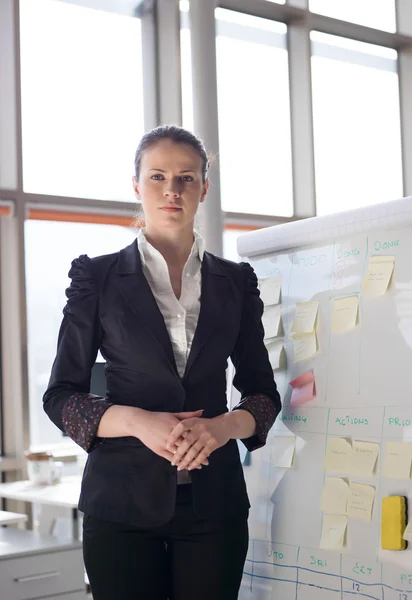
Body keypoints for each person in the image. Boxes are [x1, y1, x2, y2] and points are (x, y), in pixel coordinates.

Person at [43, 125, 281, 600]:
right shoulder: (97, 277)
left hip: (215, 506)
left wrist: (223, 428)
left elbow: (263, 395)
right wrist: (137, 422)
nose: (172, 190)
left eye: (186, 178)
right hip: (121, 505)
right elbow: (61, 397)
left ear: (204, 188)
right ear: (137, 185)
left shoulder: (236, 283)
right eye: (157, 176)